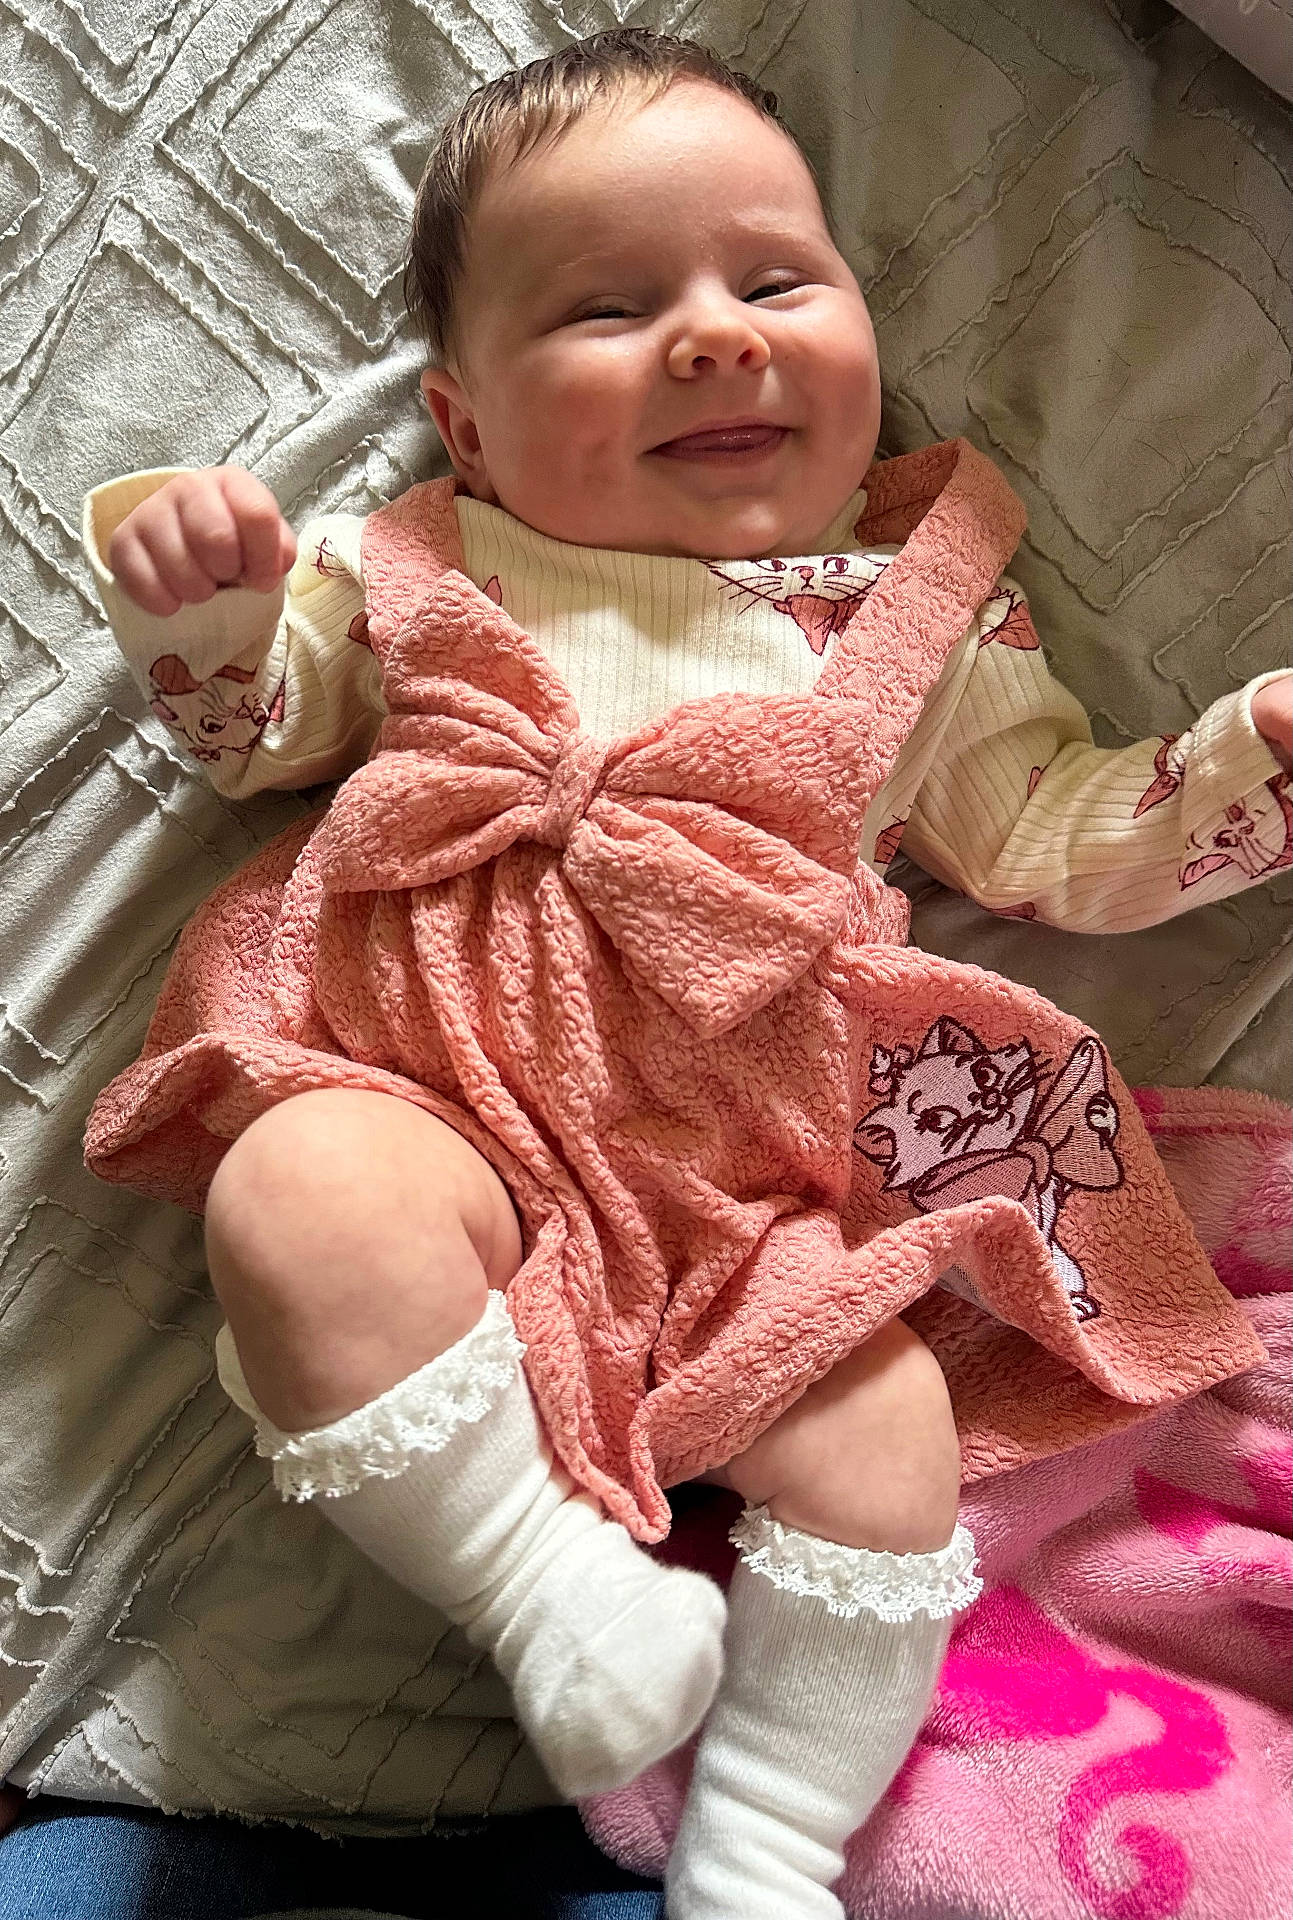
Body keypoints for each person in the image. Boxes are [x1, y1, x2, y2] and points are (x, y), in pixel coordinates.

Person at [76, 29, 1289, 1920]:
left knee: (877, 1426)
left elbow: (1051, 844)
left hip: (745, 1167)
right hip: (434, 1081)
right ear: (464, 426)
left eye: (775, 282)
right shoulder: (433, 568)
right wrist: (211, 599)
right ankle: (549, 1602)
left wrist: (1240, 778)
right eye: (609, 307)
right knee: (296, 1197)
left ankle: (767, 1849)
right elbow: (258, 725)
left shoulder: (912, 623)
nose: (714, 335)